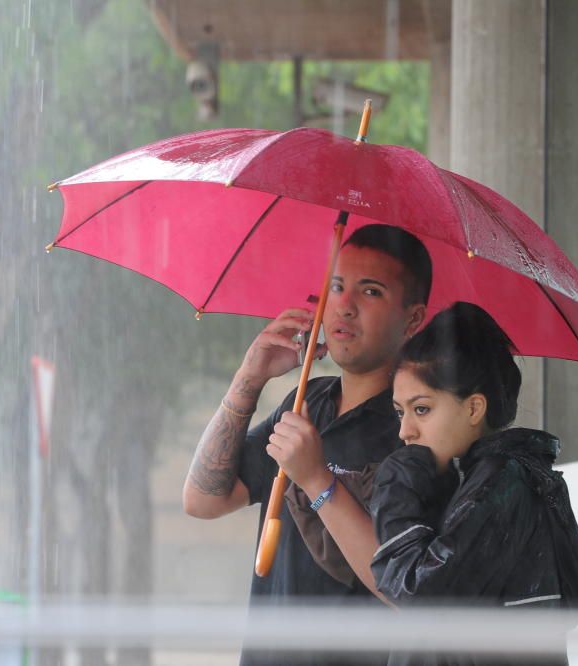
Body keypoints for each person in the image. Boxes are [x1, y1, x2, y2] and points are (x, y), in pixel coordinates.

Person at [183, 224, 433, 666]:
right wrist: (250, 378)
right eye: (336, 287)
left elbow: (408, 587)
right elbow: (204, 499)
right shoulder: (306, 403)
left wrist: (317, 480)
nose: (345, 307)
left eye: (370, 292)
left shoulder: (414, 426)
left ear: (412, 319)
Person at [370, 302, 578, 666]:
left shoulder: (502, 482)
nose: (405, 431)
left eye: (422, 409)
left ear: (474, 408)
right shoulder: (505, 474)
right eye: (400, 412)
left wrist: (393, 489)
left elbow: (419, 595)